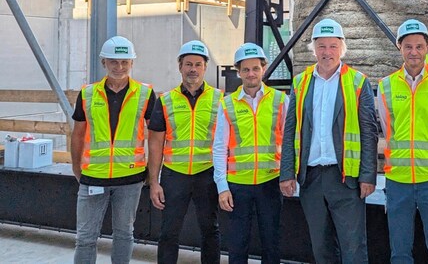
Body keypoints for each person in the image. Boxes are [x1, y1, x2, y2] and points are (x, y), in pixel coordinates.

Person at [279, 18, 379, 264]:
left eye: (333, 46)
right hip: (311, 179)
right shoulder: (301, 83)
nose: (327, 52)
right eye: (321, 46)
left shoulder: (357, 82)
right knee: (320, 247)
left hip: (345, 179)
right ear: (313, 49)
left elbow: (369, 131)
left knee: (353, 246)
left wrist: (368, 176)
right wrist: (286, 173)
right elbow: (290, 129)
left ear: (342, 48)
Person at [70, 35, 156, 263]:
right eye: (113, 62)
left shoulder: (145, 94)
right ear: (104, 63)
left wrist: (153, 173)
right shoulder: (88, 93)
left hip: (130, 178)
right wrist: (76, 168)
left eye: (124, 62)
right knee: (86, 237)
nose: (119, 67)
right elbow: (78, 133)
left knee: (124, 234)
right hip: (93, 177)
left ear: (132, 63)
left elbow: (157, 137)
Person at [376, 19, 428, 264]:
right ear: (399, 48)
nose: (414, 52)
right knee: (399, 251)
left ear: (427, 48)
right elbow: (389, 130)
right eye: (408, 46)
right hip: (398, 180)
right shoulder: (385, 86)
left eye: (419, 46)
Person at [212, 43, 288, 264]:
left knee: (272, 243)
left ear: (263, 69)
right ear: (239, 72)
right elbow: (219, 148)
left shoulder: (280, 101)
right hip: (237, 185)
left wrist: (288, 176)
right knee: (237, 245)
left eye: (255, 68)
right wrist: (222, 186)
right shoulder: (227, 105)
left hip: (270, 182)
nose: (251, 74)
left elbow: (293, 143)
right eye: (245, 69)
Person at [148, 40, 222, 264]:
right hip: (174, 175)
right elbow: (155, 144)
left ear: (205, 67)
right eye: (188, 64)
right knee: (168, 233)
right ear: (180, 67)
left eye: (198, 64)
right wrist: (154, 182)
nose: (193, 69)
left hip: (207, 175)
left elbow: (226, 143)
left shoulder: (221, 99)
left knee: (211, 231)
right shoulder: (166, 100)